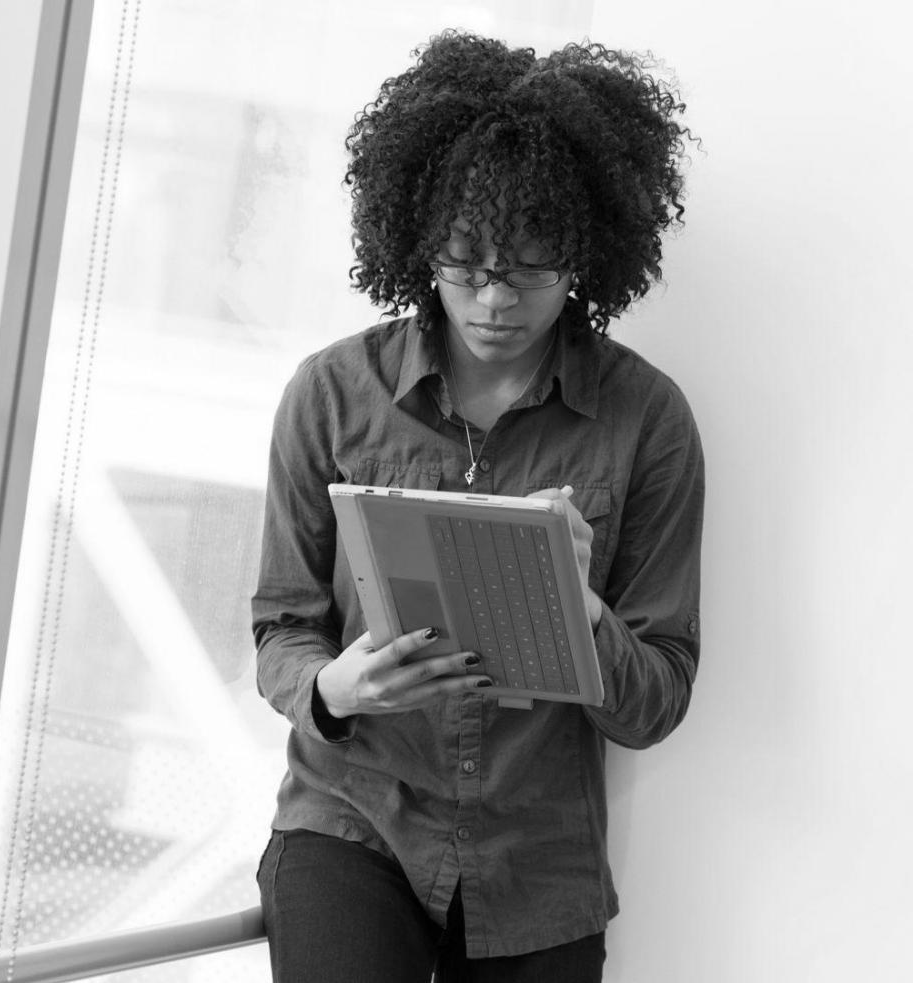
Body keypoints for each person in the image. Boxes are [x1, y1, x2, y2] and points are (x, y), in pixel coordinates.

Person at [250, 31, 704, 982]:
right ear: (418, 246)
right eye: (465, 263)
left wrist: (577, 608)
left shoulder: (646, 419)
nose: (495, 298)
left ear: (586, 252)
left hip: (539, 861)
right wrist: (337, 691)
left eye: (533, 268)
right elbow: (282, 627)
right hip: (354, 817)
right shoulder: (331, 393)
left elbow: (657, 696)